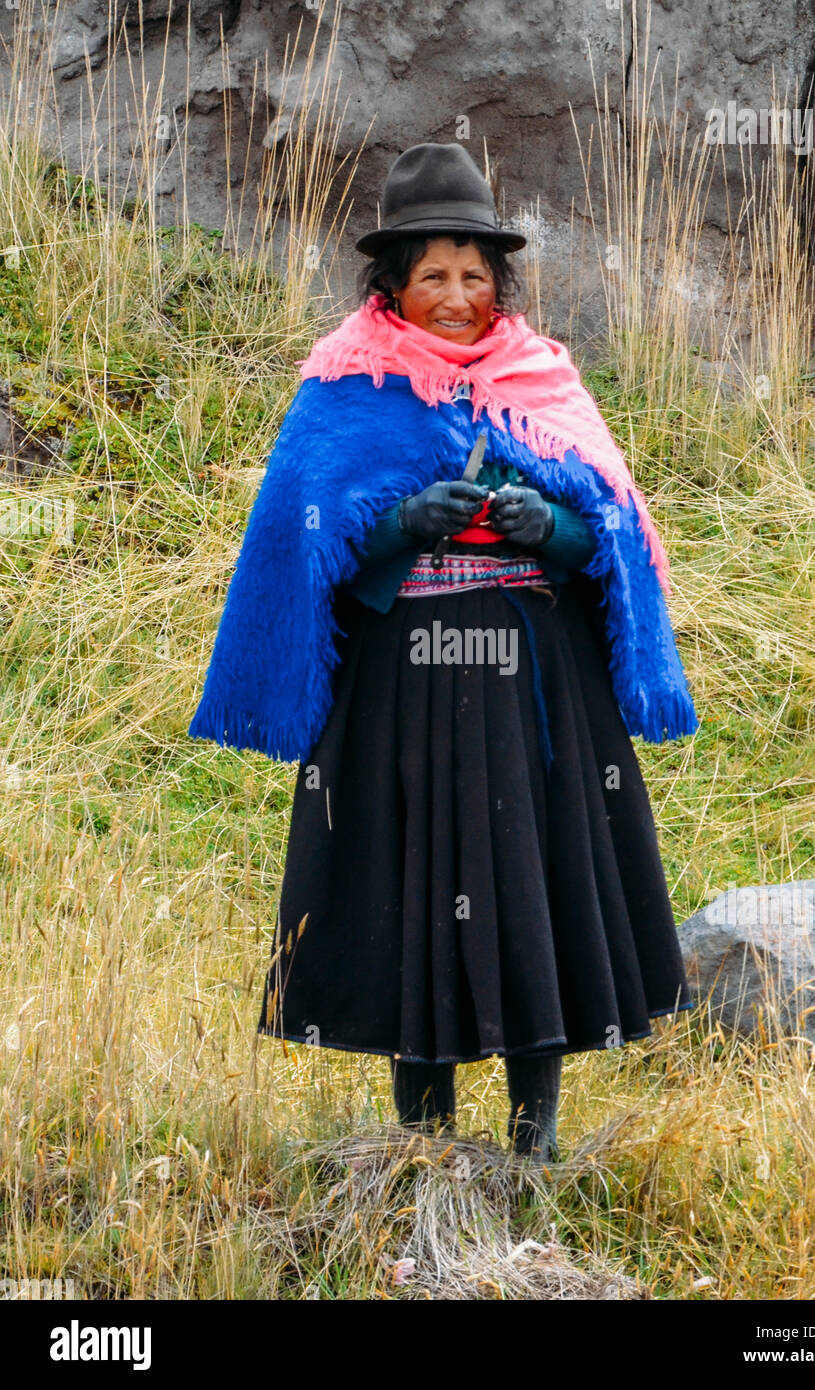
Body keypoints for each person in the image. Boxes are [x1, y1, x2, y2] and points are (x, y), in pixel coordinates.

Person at [188, 143, 700, 1165]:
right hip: (402, 687)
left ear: (497, 283)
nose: (457, 296)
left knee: (535, 881)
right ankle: (421, 1142)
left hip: (534, 687)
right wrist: (395, 525)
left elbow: (610, 531)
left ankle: (535, 1139)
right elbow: (302, 541)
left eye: (474, 275)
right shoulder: (344, 387)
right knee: (411, 882)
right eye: (434, 276)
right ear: (393, 284)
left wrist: (543, 527)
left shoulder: (541, 380)